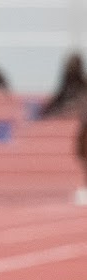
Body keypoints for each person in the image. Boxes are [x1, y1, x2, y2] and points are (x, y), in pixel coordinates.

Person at [36, 53, 87, 204]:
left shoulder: (82, 85)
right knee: (81, 152)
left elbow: (72, 104)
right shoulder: (69, 85)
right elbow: (58, 102)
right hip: (83, 124)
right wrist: (44, 113)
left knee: (83, 151)